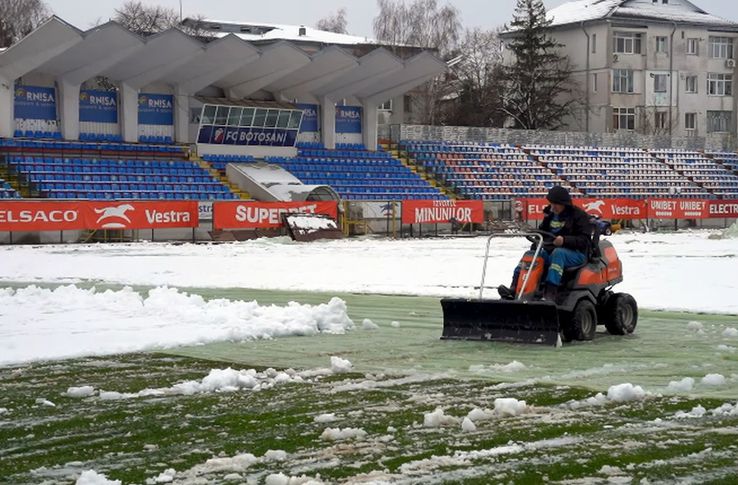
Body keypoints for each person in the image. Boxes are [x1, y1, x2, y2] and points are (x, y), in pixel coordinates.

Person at [498, 186, 592, 301]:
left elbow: (585, 240)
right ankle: (515, 287)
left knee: (559, 253)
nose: (553, 207)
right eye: (551, 204)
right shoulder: (550, 215)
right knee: (530, 255)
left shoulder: (578, 216)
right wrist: (535, 238)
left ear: (564, 203)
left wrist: (565, 240)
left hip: (577, 254)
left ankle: (550, 292)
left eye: (555, 204)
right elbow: (543, 232)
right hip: (552, 251)